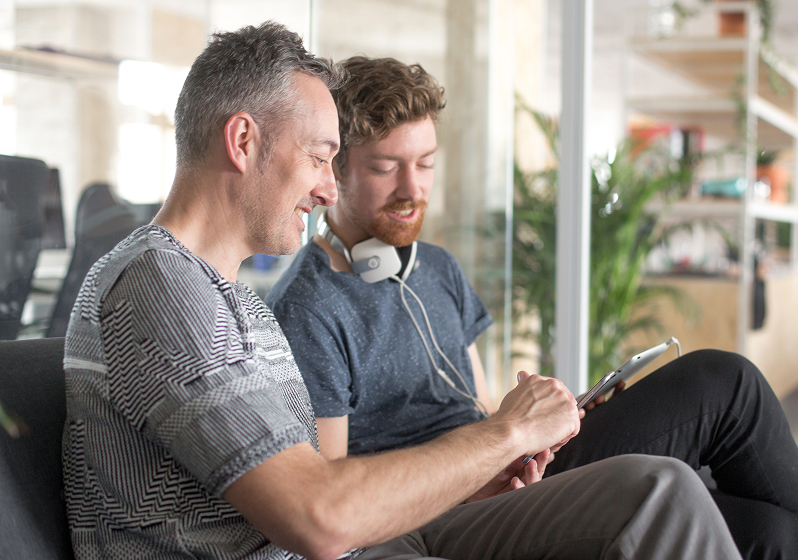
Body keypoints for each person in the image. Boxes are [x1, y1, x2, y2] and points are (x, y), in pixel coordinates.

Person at [61, 22, 744, 560]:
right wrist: (504, 432)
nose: (327, 189)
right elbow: (320, 514)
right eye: (321, 158)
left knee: (664, 492)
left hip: (361, 544)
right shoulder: (159, 287)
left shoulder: (227, 299)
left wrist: (477, 473)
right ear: (243, 141)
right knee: (660, 493)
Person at [265, 56, 798, 560]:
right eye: (384, 167)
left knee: (777, 535)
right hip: (442, 510)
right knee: (725, 383)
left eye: (424, 165)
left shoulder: (436, 267)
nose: (412, 189)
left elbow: (474, 403)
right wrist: (489, 457)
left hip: (505, 465)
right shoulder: (310, 308)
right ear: (335, 169)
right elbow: (341, 502)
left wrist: (539, 420)